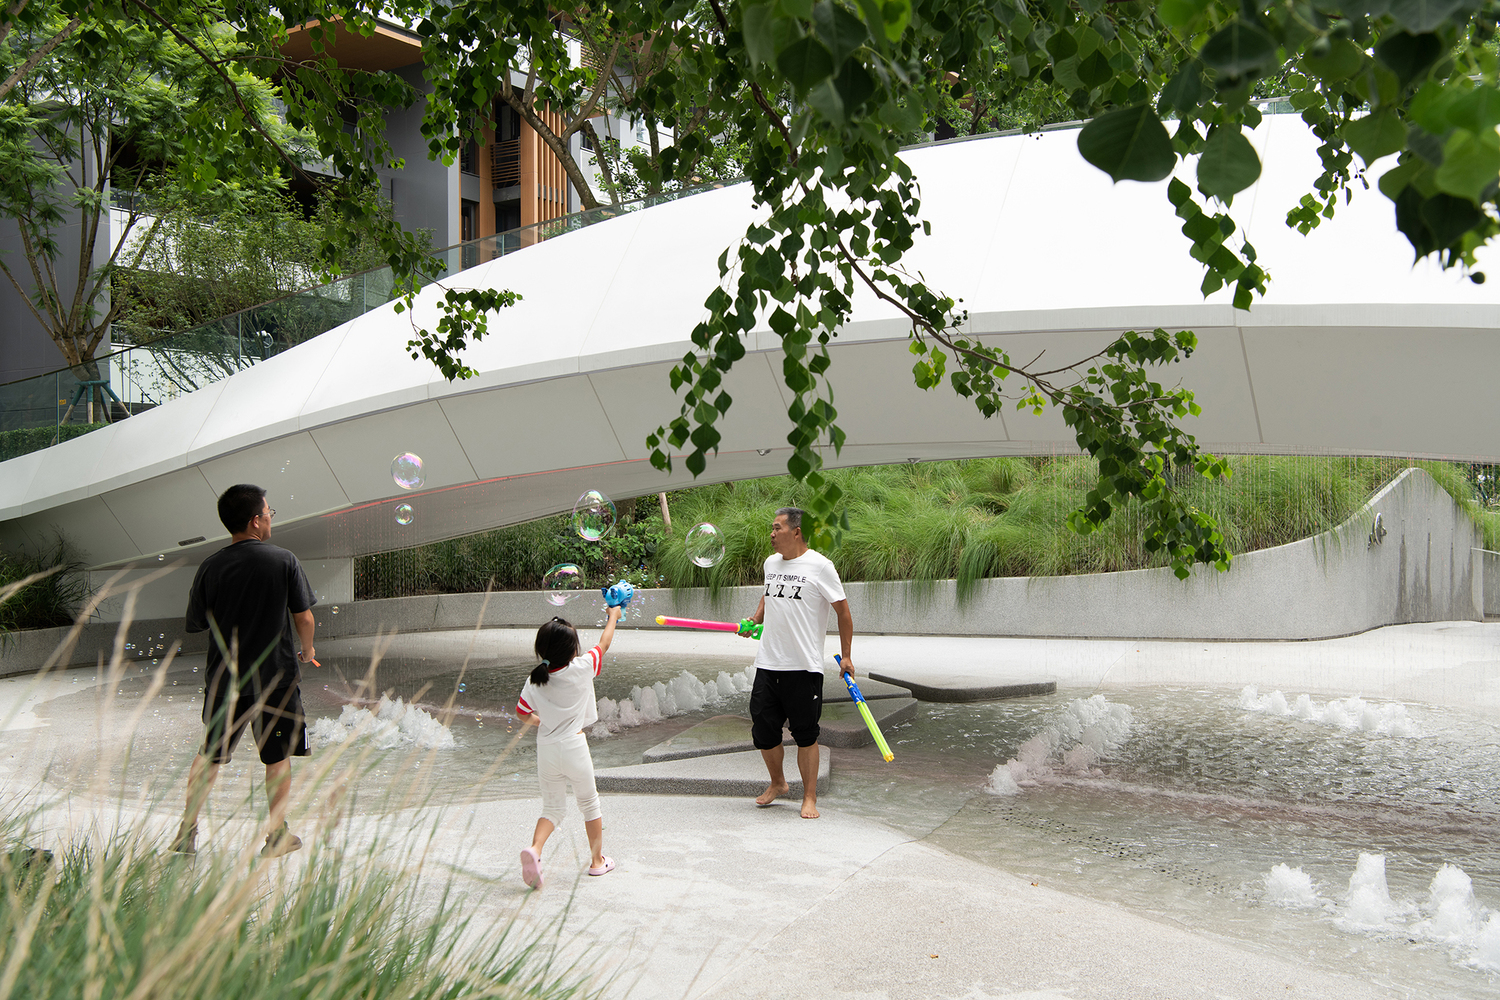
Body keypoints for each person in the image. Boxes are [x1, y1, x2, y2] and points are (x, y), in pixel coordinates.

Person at [171, 484, 319, 858]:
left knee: (209, 754)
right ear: (256, 520)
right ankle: (276, 835)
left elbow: (197, 623)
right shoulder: (284, 560)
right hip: (276, 680)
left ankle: (186, 832)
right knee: (277, 756)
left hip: (226, 681)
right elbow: (303, 616)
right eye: (269, 511)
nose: (271, 517)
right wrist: (308, 649)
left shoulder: (211, 566)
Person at [739, 506, 854, 819]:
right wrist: (755, 619)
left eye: (777, 528)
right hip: (769, 662)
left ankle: (810, 797)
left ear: (797, 531)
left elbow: (843, 612)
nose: (772, 534)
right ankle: (778, 783)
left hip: (804, 667)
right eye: (772, 528)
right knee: (763, 731)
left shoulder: (820, 566)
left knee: (806, 734)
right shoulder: (770, 563)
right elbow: (768, 594)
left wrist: (846, 656)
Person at [516, 606, 622, 889]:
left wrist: (541, 721)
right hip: (574, 745)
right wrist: (613, 616)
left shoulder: (535, 679)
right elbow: (605, 643)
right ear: (573, 649)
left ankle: (535, 850)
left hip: (547, 748)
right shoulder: (583, 667)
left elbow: (521, 712)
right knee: (589, 804)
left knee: (552, 808)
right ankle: (597, 862)